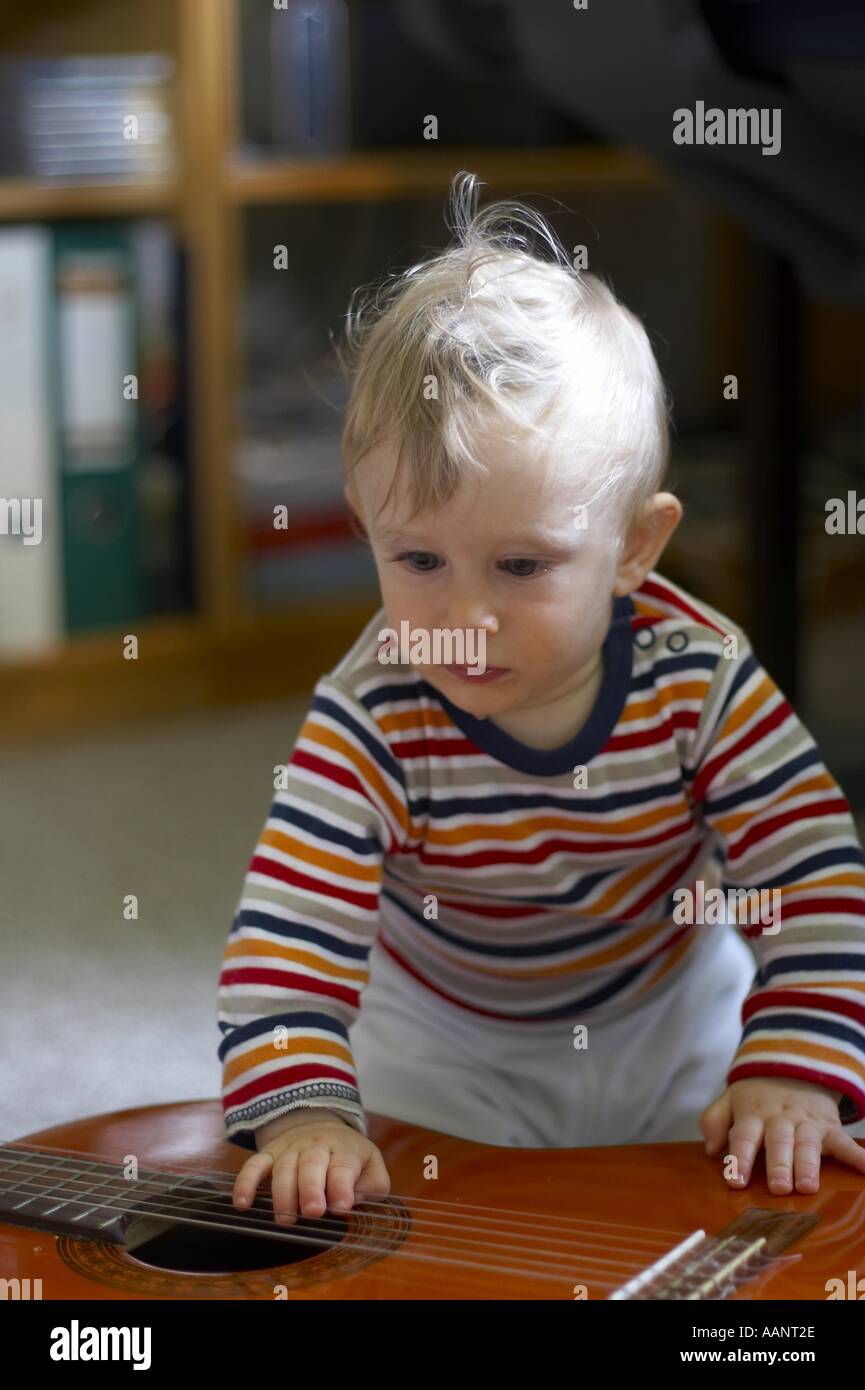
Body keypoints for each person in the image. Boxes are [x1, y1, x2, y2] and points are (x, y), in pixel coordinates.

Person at [218, 172, 865, 1227]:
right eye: (418, 557)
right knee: (424, 1230)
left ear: (634, 548)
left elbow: (809, 869)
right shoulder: (370, 715)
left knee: (772, 1193)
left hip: (670, 1017)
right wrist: (301, 1114)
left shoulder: (699, 679)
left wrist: (794, 1056)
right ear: (366, 529)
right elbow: (287, 930)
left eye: (521, 567)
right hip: (446, 1040)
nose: (464, 613)